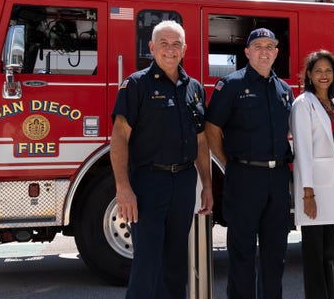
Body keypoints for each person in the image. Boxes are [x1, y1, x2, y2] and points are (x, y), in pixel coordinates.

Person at [110, 20, 213, 299]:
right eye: (164, 44)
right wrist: (123, 189)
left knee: (176, 261)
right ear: (152, 48)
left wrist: (207, 185)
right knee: (147, 262)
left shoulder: (194, 88)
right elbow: (119, 138)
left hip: (183, 180)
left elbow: (201, 140)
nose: (170, 50)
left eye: (176, 44)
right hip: (148, 183)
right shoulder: (136, 85)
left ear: (185, 49)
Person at [205, 27, 294, 299]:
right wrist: (229, 164)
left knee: (275, 254)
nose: (264, 51)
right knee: (242, 254)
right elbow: (211, 128)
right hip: (244, 177)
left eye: (270, 46)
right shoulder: (231, 85)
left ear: (276, 53)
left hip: (277, 179)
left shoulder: (284, 89)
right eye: (258, 46)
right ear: (247, 52)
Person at [290, 50, 334, 299]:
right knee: (314, 255)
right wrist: (307, 193)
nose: (323, 75)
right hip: (315, 187)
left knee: (327, 253)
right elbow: (302, 150)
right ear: (309, 74)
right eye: (318, 71)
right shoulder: (303, 103)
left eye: (328, 71)